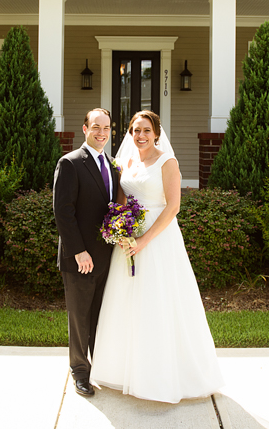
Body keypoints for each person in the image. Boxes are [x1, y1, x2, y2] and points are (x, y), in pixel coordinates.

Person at [90, 110, 224, 403]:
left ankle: (164, 377)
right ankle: (125, 371)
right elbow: (122, 202)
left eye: (146, 131)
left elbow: (173, 207)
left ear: (157, 133)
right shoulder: (125, 162)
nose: (140, 136)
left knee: (159, 302)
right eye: (136, 130)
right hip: (128, 242)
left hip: (159, 240)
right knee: (126, 302)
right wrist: (120, 231)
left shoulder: (167, 161)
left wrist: (143, 241)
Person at [53, 108, 120, 398]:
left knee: (99, 316)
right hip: (80, 257)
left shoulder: (112, 165)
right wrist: (78, 251)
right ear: (85, 129)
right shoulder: (69, 163)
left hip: (106, 256)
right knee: (79, 317)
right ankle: (80, 371)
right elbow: (63, 212)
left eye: (106, 128)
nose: (101, 132)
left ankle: (100, 367)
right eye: (96, 127)